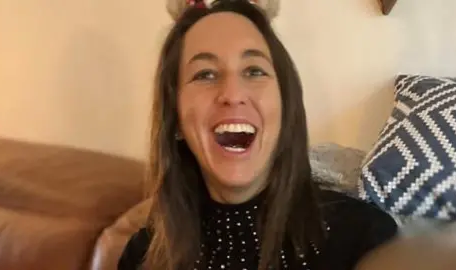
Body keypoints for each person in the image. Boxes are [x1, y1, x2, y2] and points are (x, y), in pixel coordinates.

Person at [118, 0, 398, 269]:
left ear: (285, 106)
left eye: (254, 71)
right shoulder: (141, 256)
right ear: (175, 118)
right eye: (205, 74)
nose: (232, 94)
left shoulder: (364, 238)